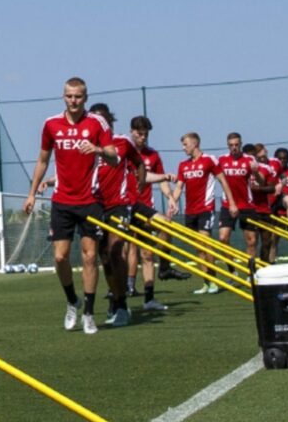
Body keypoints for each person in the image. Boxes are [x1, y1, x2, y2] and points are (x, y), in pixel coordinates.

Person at [21, 78, 111, 335]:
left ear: (86, 97)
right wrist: (31, 194)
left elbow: (114, 155)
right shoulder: (51, 124)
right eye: (69, 96)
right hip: (62, 200)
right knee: (60, 257)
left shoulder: (97, 123)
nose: (73, 101)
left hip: (91, 201)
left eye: (78, 97)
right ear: (63, 97)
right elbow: (42, 160)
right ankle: (73, 300)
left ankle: (90, 313)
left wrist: (98, 149)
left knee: (90, 256)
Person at [87, 103, 135, 327]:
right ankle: (115, 298)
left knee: (116, 250)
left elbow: (138, 164)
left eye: (103, 120)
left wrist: (140, 185)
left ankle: (123, 302)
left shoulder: (122, 142)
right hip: (95, 205)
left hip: (118, 204)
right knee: (104, 257)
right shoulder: (85, 146)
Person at [126, 115, 169, 314]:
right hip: (124, 205)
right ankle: (122, 293)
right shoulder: (123, 150)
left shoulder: (152, 155)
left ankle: (150, 296)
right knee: (124, 251)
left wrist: (171, 196)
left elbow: (159, 179)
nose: (143, 137)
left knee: (147, 253)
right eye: (139, 133)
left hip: (144, 206)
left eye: (146, 134)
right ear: (132, 131)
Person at [175, 132, 222, 294]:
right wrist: (173, 202)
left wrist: (232, 202)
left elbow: (223, 180)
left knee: (206, 243)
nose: (183, 148)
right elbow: (179, 187)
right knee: (198, 248)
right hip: (190, 211)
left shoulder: (209, 160)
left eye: (185, 144)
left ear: (195, 143)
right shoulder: (183, 165)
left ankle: (214, 281)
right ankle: (206, 282)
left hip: (205, 209)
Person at [210, 132, 257, 261]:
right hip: (228, 204)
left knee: (251, 241)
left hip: (246, 204)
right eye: (231, 145)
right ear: (228, 146)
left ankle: (251, 274)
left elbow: (258, 181)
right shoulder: (222, 160)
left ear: (241, 144)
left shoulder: (249, 159)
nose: (234, 147)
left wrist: (256, 172)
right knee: (223, 238)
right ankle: (232, 271)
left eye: (236, 144)